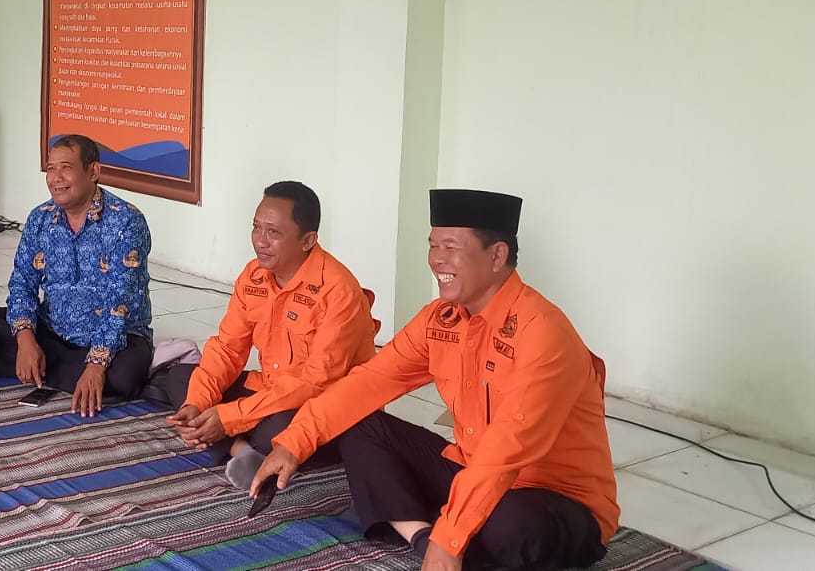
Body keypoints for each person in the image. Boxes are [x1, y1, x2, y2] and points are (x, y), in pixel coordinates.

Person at [249, 189, 618, 571]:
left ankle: (450, 535)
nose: (437, 259)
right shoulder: (440, 320)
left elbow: (510, 445)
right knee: (362, 426)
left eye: (451, 247)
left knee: (512, 523)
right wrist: (294, 443)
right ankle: (423, 538)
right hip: (473, 470)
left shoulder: (542, 332)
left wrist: (453, 536)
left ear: (497, 256)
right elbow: (369, 381)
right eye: (432, 246)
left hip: (551, 499)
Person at [165, 181, 379, 490]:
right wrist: (197, 405)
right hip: (272, 390)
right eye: (256, 228)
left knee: (275, 430)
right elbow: (227, 348)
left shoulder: (338, 290)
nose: (260, 242)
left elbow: (314, 383)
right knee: (182, 380)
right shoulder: (253, 275)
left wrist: (230, 418)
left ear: (308, 240)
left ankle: (238, 444)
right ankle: (241, 451)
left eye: (273, 233)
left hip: (322, 407)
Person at [0, 134, 153, 417]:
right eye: (50, 169)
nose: (56, 178)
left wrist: (96, 365)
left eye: (66, 167)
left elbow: (121, 302)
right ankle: (46, 362)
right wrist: (27, 340)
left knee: (124, 377)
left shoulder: (126, 221)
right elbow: (22, 282)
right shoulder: (40, 218)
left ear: (93, 171)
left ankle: (30, 368)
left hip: (115, 336)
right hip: (53, 330)